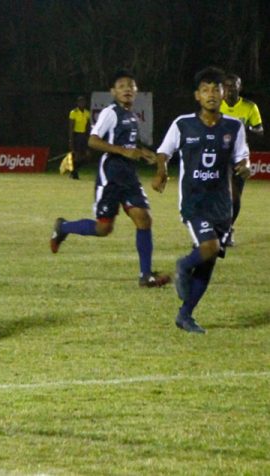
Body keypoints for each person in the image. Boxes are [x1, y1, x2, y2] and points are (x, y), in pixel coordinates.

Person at [49, 70, 170, 288]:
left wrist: (143, 153)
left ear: (136, 91)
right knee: (104, 228)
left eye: (130, 86)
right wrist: (123, 152)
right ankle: (63, 227)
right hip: (111, 175)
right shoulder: (110, 113)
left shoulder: (132, 117)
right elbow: (93, 141)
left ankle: (146, 275)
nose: (126, 90)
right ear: (113, 92)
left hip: (129, 177)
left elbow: (130, 147)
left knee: (144, 219)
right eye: (121, 86)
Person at [153, 66, 250, 333]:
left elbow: (242, 157)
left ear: (223, 93)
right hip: (195, 203)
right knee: (208, 247)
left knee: (208, 264)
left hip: (222, 205)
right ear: (197, 95)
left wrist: (245, 167)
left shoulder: (234, 126)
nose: (211, 94)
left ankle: (185, 315)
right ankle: (182, 266)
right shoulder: (182, 124)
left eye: (216, 89)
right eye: (205, 90)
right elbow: (164, 152)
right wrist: (161, 171)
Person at [219, 73, 263, 246]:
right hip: (218, 157)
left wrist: (249, 130)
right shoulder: (216, 105)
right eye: (227, 85)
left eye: (234, 85)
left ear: (240, 87)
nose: (231, 89)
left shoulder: (249, 107)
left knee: (235, 197)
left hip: (239, 158)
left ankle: (228, 229)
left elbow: (259, 130)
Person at [68, 95, 91, 179]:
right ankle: (75, 174)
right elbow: (71, 127)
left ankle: (73, 170)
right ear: (77, 103)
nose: (82, 103)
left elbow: (88, 126)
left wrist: (88, 137)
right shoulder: (73, 112)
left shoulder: (87, 113)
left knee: (87, 156)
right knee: (77, 155)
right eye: (80, 102)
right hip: (76, 135)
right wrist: (71, 139)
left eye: (83, 102)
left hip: (84, 135)